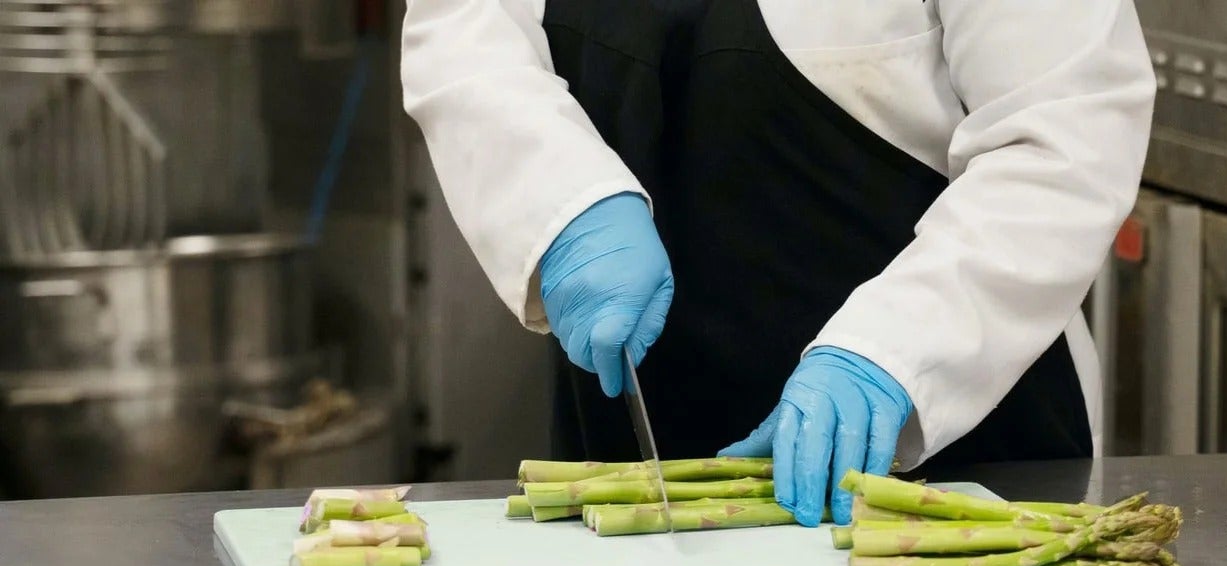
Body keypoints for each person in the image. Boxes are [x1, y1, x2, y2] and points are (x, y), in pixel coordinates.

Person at [401, 0, 1155, 527]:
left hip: (950, 475)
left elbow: (1062, 134)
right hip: (631, 487)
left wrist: (896, 353)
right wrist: (557, 203)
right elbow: (465, 28)